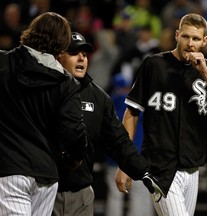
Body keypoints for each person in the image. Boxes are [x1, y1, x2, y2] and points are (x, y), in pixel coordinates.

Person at [114, 13, 207, 216]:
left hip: (192, 168)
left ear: (205, 41)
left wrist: (205, 72)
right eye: (186, 36)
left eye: (196, 39)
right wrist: (125, 162)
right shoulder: (153, 65)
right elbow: (131, 113)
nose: (190, 43)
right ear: (177, 35)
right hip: (159, 167)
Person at [53, 32, 164, 216]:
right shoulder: (43, 90)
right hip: (45, 188)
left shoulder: (99, 98)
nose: (81, 57)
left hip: (81, 191)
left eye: (85, 53)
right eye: (74, 52)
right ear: (58, 56)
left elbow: (118, 140)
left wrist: (142, 170)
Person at [0, 12, 87, 216]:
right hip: (46, 176)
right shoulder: (67, 83)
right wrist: (75, 158)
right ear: (63, 43)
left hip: (10, 169)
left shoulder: (3, 64)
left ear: (31, 32)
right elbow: (73, 131)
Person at [105, 74, 155, 216]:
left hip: (114, 158)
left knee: (114, 195)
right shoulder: (136, 103)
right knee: (140, 194)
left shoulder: (108, 102)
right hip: (137, 156)